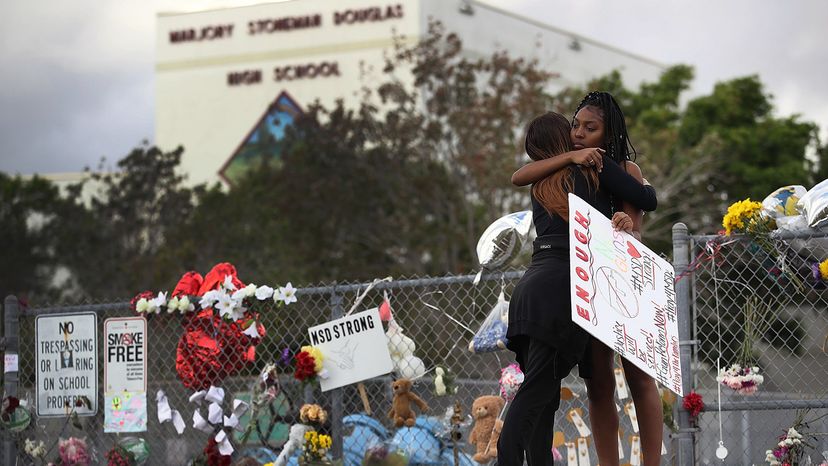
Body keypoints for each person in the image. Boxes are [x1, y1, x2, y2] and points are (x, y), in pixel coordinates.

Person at [510, 91, 663, 466]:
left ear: (607, 134)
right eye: (575, 124)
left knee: (639, 378)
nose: (578, 133)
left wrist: (628, 226)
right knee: (598, 382)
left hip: (623, 280)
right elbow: (520, 177)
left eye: (590, 128)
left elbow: (639, 224)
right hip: (586, 284)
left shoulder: (624, 172)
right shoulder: (568, 169)